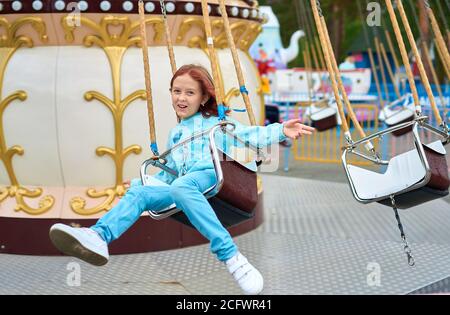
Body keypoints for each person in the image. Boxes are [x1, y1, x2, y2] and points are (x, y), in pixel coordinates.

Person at [49, 64, 315, 295]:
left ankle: (231, 255)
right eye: (177, 91)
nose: (181, 98)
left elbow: (250, 135)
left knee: (183, 185)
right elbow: (169, 174)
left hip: (213, 175)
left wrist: (281, 129)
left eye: (189, 92)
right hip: (184, 186)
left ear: (202, 98)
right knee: (144, 192)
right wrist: (144, 185)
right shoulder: (176, 134)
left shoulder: (216, 122)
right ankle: (98, 236)